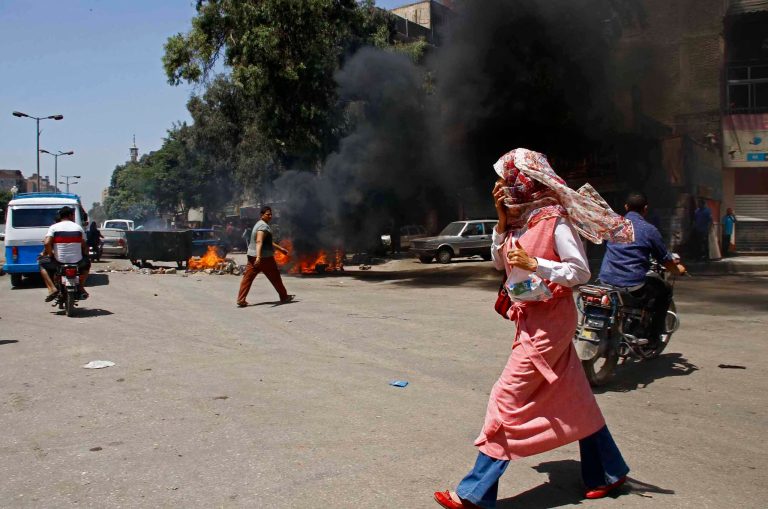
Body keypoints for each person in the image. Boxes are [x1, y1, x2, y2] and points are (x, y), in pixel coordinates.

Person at [434, 148, 635, 509]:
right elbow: (499, 263)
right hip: (530, 321)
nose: (502, 186)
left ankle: (475, 494)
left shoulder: (555, 219)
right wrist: (499, 221)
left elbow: (580, 271)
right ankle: (609, 471)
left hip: (550, 325)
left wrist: (535, 263)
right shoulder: (520, 221)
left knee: (505, 398)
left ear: (524, 181)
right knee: (577, 398)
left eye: (507, 179)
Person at [600, 192, 687, 345]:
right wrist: (678, 269)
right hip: (632, 283)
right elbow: (665, 259)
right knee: (665, 291)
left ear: (626, 207)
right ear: (645, 209)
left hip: (605, 279)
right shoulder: (649, 230)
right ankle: (654, 336)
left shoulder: (613, 225)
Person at [236, 206, 294, 307]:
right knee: (275, 277)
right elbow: (259, 241)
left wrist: (280, 249)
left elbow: (267, 241)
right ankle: (284, 297)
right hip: (264, 258)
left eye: (271, 214)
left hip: (252, 255)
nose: (270, 216)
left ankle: (241, 299)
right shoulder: (263, 226)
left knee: (247, 278)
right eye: (268, 214)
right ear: (261, 215)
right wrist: (259, 257)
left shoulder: (259, 224)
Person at [39, 206, 90, 301]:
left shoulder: (54, 227)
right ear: (70, 215)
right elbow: (84, 246)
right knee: (87, 263)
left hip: (59, 262)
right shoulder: (78, 228)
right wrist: (85, 255)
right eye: (73, 215)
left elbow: (46, 243)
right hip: (77, 262)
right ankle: (81, 287)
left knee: (41, 264)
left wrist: (50, 255)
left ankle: (52, 288)